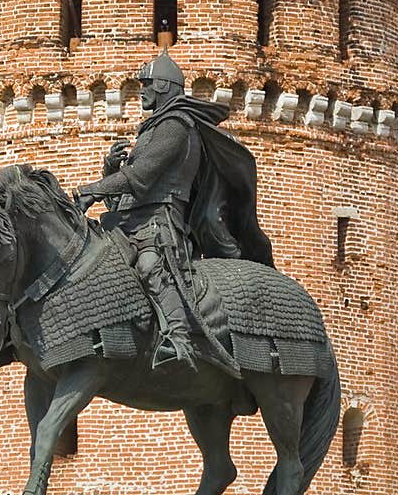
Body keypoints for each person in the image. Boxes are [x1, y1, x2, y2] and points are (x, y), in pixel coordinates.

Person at [76, 51, 273, 371]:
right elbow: (132, 186)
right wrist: (110, 168)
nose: (142, 90)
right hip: (133, 220)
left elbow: (139, 178)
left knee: (150, 265)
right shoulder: (153, 128)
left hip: (160, 223)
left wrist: (92, 190)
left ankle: (178, 337)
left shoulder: (176, 126)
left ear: (166, 87)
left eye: (148, 84)